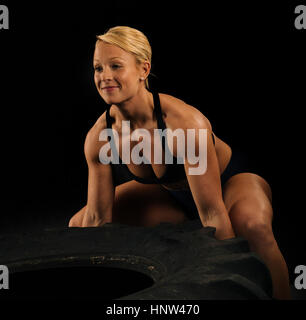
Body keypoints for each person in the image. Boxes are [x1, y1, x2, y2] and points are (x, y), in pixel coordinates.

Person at [68, 26, 291, 299]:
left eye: (115, 66)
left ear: (143, 70)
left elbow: (213, 214)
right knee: (79, 226)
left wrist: (228, 286)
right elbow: (97, 219)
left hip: (229, 183)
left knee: (251, 225)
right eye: (98, 68)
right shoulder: (100, 136)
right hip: (173, 195)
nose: (105, 77)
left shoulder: (185, 124)